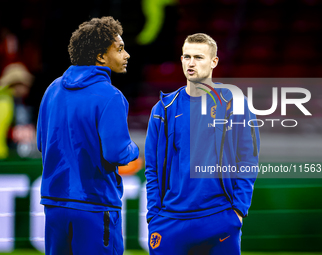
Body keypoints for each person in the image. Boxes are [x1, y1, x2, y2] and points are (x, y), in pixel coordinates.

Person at [145, 33, 260, 254]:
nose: (191, 63)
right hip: (170, 220)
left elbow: (248, 159)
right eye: (186, 56)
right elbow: (152, 168)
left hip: (219, 218)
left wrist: (238, 210)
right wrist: (154, 214)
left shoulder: (233, 104)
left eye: (198, 57)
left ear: (214, 62)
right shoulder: (163, 109)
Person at [36, 16, 139, 255]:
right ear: (101, 57)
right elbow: (117, 152)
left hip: (54, 205)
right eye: (120, 49)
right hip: (94, 205)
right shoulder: (110, 96)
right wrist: (134, 148)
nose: (127, 55)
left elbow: (42, 143)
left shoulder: (52, 89)